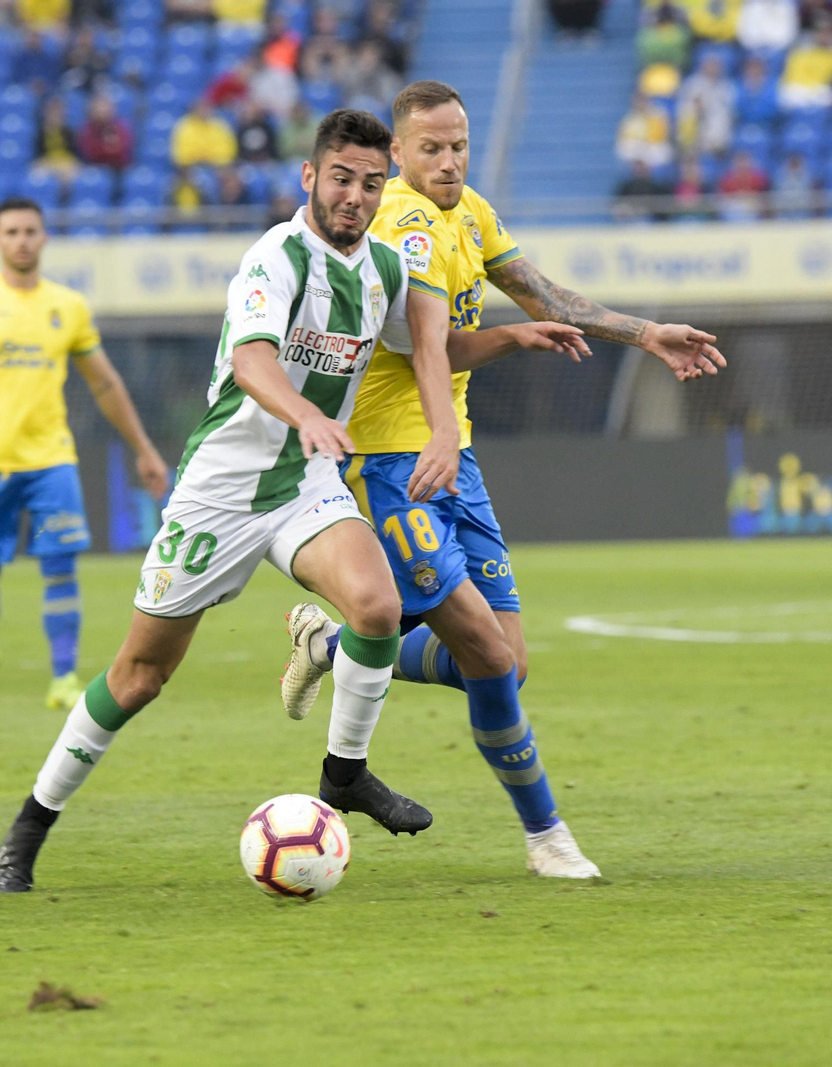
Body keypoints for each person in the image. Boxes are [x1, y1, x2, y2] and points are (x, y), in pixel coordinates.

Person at [0, 110, 583, 893]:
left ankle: (343, 776)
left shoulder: (384, 271)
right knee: (139, 675)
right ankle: (27, 828)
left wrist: (512, 337)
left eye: (372, 184)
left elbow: (434, 347)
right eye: (342, 179)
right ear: (310, 177)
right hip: (224, 488)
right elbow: (253, 357)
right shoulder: (276, 254)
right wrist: (307, 415)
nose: (356, 197)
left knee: (372, 604)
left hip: (305, 481)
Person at [276, 82, 725, 878]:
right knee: (482, 648)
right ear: (400, 156)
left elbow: (540, 291)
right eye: (431, 150)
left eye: (459, 147)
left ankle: (333, 642)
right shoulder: (401, 223)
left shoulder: (470, 212)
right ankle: (546, 836)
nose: (448, 163)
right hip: (392, 466)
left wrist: (645, 331)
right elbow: (430, 346)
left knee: (507, 662)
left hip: (458, 459)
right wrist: (506, 348)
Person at [0, 198, 170, 713]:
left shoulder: (68, 306)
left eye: (31, 230)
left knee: (60, 563)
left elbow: (104, 383)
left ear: (44, 237)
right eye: (11, 231)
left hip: (52, 458)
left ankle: (63, 675)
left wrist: (143, 448)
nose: (22, 240)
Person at [779, 25, 832, 109]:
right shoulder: (802, 51)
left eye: (827, 34)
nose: (824, 37)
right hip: (796, 88)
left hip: (819, 89)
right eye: (821, 34)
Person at [677, 53, 737, 156]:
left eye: (715, 66)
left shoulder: (726, 86)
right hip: (696, 119)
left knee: (720, 118)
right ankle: (688, 148)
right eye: (709, 65)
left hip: (715, 120)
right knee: (687, 113)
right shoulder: (692, 83)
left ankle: (716, 149)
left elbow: (729, 108)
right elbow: (687, 102)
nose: (712, 69)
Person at [170, 97, 237, 168]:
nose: (203, 111)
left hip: (216, 166)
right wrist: (199, 156)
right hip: (190, 166)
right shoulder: (184, 126)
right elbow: (181, 154)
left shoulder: (219, 125)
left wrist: (210, 157)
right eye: (201, 109)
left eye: (206, 109)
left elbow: (227, 151)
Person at [616, 92, 674, 169]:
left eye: (642, 101)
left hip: (654, 147)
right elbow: (625, 139)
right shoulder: (629, 119)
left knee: (661, 151)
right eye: (638, 102)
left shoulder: (658, 115)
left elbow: (661, 136)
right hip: (638, 149)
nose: (640, 104)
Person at [77, 93, 132, 170]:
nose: (102, 112)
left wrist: (105, 149)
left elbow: (122, 150)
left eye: (105, 108)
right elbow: (90, 152)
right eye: (99, 108)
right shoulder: (86, 130)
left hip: (120, 170)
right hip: (93, 168)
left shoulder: (121, 127)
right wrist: (109, 148)